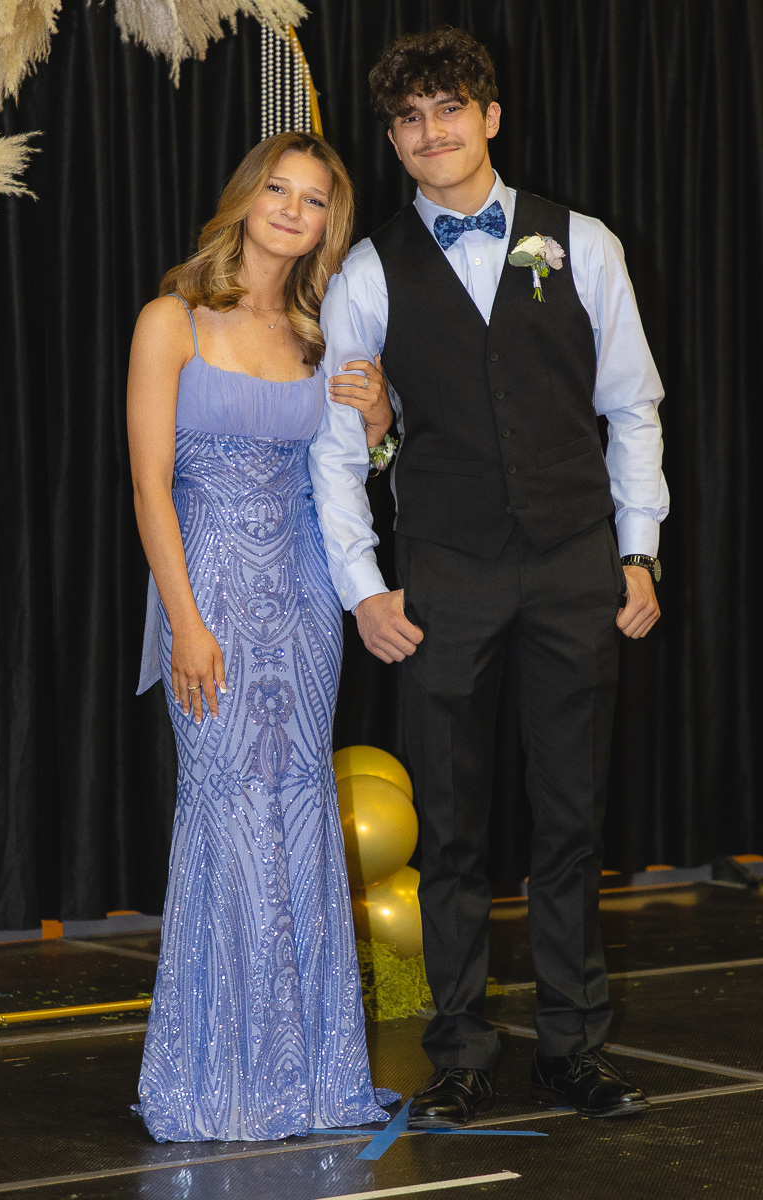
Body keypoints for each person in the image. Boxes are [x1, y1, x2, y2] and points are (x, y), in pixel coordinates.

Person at [312, 28, 669, 1127]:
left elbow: (630, 408)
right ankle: (459, 1053)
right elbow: (338, 445)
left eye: (449, 110)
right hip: (444, 578)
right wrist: (363, 588)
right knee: (454, 830)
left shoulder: (586, 245)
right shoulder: (367, 269)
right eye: (408, 119)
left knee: (570, 820)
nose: (431, 134)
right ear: (393, 138)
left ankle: (573, 1048)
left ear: (489, 117)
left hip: (573, 567)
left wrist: (637, 547)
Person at [127, 130, 397, 1142]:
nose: (292, 208)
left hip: (303, 604)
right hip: (212, 600)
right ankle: (219, 1082)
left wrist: (376, 422)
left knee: (295, 816)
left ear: (331, 219)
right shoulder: (172, 319)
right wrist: (187, 622)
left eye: (314, 197)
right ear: (244, 199)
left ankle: (309, 1080)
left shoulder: (320, 329)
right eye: (276, 189)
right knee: (227, 816)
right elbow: (150, 488)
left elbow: (349, 467)